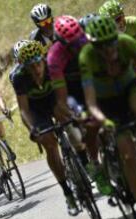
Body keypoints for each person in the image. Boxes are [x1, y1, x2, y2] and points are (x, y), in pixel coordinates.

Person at [80, 16, 136, 219]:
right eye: (102, 45)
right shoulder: (87, 57)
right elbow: (91, 102)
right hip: (105, 102)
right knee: (128, 155)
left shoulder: (126, 42)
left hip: (129, 89)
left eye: (111, 42)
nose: (109, 49)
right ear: (93, 45)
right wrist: (104, 121)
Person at [10, 40, 79, 216]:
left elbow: (63, 94)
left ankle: (86, 161)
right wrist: (32, 129)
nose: (36, 69)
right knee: (50, 144)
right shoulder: (19, 77)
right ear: (23, 67)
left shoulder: (51, 65)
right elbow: (24, 110)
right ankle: (67, 192)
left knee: (70, 124)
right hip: (36, 109)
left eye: (38, 64)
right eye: (30, 67)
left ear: (43, 59)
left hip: (54, 100)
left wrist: (73, 114)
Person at [47, 15, 112, 195]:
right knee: (89, 125)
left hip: (90, 82)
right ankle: (96, 165)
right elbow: (62, 98)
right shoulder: (54, 56)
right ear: (60, 42)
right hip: (70, 92)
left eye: (79, 40)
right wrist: (77, 114)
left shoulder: (87, 41)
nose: (77, 46)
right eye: (71, 44)